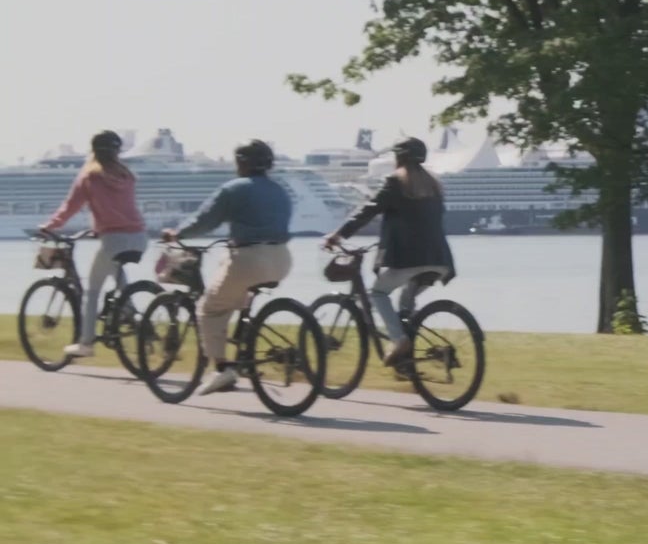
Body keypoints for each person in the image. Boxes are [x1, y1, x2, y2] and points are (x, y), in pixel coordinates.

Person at [161, 139, 293, 395]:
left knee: (208, 310)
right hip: (282, 258)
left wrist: (177, 234)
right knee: (231, 284)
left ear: (241, 163)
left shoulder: (233, 188)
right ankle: (243, 338)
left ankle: (222, 369)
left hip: (249, 259)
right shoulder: (281, 190)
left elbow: (205, 220)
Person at [322, 136, 455, 365]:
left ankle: (399, 340)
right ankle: (407, 361)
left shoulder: (396, 182)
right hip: (439, 260)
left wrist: (339, 234)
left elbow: (368, 210)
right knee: (406, 303)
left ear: (399, 157)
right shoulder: (434, 185)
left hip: (409, 259)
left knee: (378, 294)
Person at [39, 130, 147, 359]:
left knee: (92, 291)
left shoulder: (90, 176)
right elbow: (119, 208)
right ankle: (132, 315)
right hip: (139, 237)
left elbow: (70, 207)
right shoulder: (127, 175)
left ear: (93, 151)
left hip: (113, 239)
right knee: (117, 274)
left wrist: (49, 226)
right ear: (117, 152)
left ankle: (86, 344)